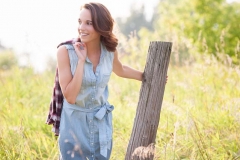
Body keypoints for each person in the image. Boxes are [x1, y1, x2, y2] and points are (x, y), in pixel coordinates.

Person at [56, 2, 143, 160]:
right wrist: (81, 62)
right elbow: (70, 97)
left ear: (101, 26)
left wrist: (146, 76)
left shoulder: (109, 51)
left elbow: (120, 69)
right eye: (80, 22)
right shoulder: (65, 52)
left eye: (88, 23)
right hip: (74, 127)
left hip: (101, 125)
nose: (82, 27)